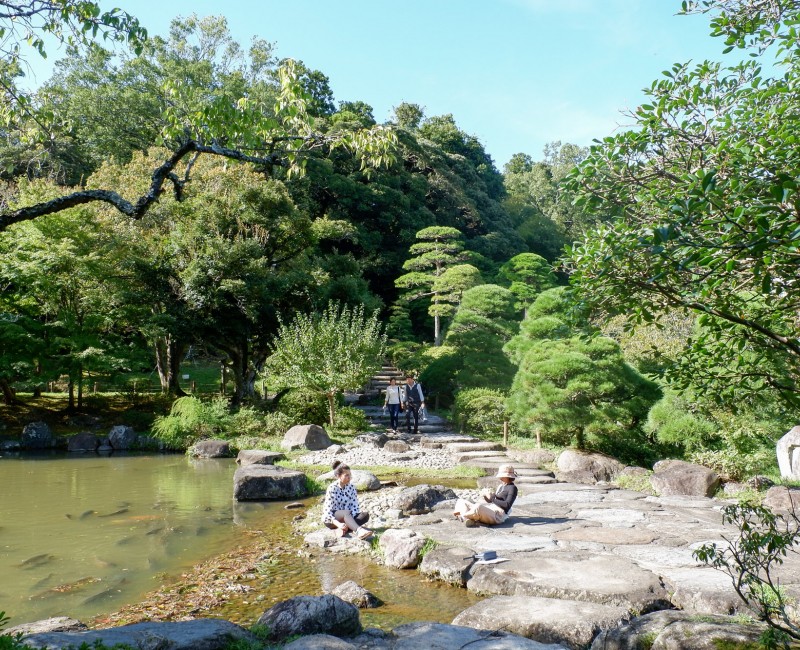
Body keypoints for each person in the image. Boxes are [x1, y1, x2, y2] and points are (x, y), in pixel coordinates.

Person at [321, 460, 373, 540]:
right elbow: (327, 512)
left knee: (365, 515)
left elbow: (355, 507)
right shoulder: (332, 488)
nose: (349, 478)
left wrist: (349, 519)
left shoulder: (351, 487)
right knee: (346, 512)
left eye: (350, 475)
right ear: (338, 476)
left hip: (348, 516)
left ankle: (346, 528)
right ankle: (359, 531)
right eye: (346, 475)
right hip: (333, 519)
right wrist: (338, 524)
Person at [453, 464, 518, 526]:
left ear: (507, 476)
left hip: (498, 515)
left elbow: (507, 505)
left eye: (502, 476)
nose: (500, 477)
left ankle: (463, 516)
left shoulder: (512, 488)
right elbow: (490, 501)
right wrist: (486, 495)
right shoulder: (501, 486)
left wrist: (492, 498)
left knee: (478, 507)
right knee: (461, 501)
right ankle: (467, 518)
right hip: (491, 509)